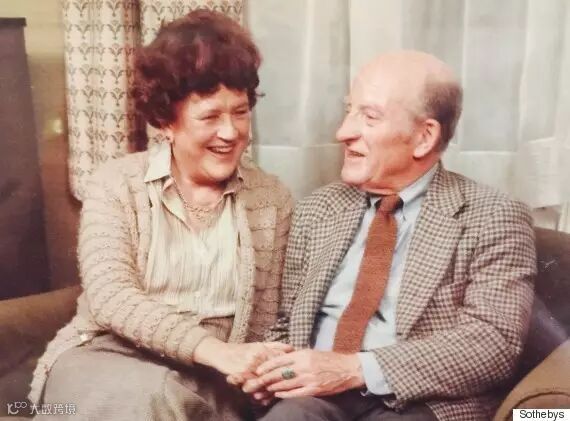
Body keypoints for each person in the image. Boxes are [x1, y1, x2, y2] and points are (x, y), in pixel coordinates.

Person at [233, 51, 536, 420]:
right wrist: (272, 370)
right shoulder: (318, 208)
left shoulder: (492, 216)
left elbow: (494, 344)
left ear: (424, 137)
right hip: (314, 399)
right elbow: (287, 321)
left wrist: (354, 369)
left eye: (369, 117)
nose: (343, 132)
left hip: (418, 404)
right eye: (349, 111)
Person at [29, 10, 294, 420]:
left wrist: (258, 373)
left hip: (213, 379)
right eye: (210, 116)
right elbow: (111, 297)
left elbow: (273, 315)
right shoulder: (115, 184)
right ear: (166, 120)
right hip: (106, 358)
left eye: (240, 112)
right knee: (151, 397)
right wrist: (215, 351)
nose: (230, 132)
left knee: (176, 399)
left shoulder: (271, 198)